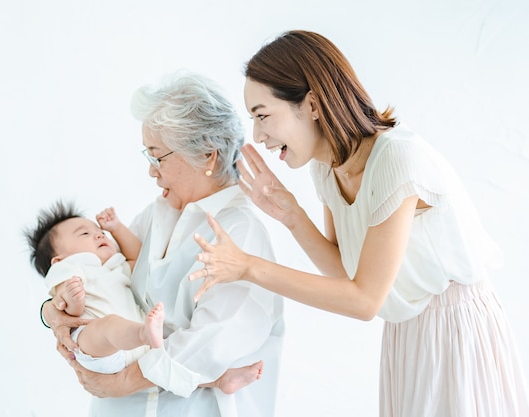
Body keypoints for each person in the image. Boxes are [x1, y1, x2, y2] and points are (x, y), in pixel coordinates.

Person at [189, 30, 529, 417]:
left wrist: (248, 267)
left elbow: (366, 300)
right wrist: (291, 215)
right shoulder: (327, 170)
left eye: (263, 116)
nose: (258, 135)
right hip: (406, 336)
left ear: (312, 104)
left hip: (456, 331)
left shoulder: (397, 159)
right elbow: (344, 275)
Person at [41, 72, 284, 417]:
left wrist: (125, 380)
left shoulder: (240, 232)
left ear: (207, 156)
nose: (152, 172)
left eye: (158, 156)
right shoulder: (156, 215)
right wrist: (52, 312)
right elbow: (93, 270)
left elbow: (211, 345)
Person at [25, 200, 263, 395]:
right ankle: (143, 333)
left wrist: (117, 228)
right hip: (94, 345)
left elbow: (139, 259)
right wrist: (70, 300)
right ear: (58, 259)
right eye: (86, 233)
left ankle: (219, 380)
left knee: (168, 361)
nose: (100, 235)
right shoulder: (70, 268)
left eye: (101, 232)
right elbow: (65, 307)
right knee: (108, 325)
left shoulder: (116, 264)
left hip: (136, 347)